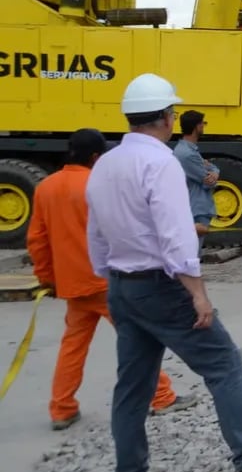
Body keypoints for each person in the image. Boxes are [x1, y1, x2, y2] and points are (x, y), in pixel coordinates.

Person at [86, 73, 242, 472]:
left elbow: (95, 233)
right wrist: (198, 293)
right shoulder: (161, 162)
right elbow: (175, 235)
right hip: (163, 286)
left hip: (121, 285)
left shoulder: (106, 163)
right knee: (224, 365)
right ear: (168, 118)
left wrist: (109, 277)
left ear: (131, 117)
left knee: (132, 386)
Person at [29, 129, 197, 432]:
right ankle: (161, 396)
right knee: (141, 339)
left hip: (71, 285)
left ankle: (62, 408)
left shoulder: (46, 187)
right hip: (106, 281)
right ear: (96, 156)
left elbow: (37, 241)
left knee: (72, 345)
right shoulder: (96, 184)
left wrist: (47, 278)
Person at [173, 110, 219, 250]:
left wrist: (214, 170)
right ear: (196, 127)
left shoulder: (188, 150)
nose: (204, 126)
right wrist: (215, 172)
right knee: (193, 253)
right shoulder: (188, 154)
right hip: (197, 209)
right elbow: (209, 181)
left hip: (195, 207)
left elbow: (210, 169)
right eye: (202, 123)